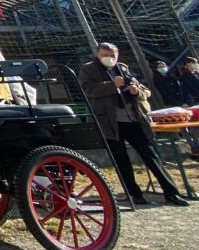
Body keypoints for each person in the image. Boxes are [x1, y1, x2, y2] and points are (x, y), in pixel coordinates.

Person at [80, 42, 189, 207]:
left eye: (112, 55)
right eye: (105, 55)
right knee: (121, 160)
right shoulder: (88, 69)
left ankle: (171, 193)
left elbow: (145, 91)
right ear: (97, 55)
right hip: (109, 122)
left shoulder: (122, 68)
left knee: (151, 157)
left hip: (133, 118)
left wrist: (137, 91)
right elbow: (88, 90)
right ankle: (134, 194)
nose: (109, 58)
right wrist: (112, 85)